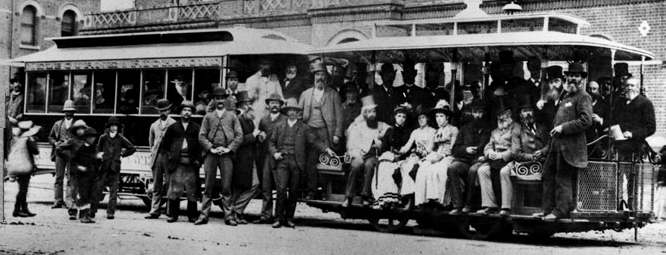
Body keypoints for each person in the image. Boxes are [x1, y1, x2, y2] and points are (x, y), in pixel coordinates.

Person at [536, 62, 593, 221]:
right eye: (570, 76)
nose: (573, 79)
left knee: (562, 178)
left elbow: (586, 121)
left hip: (571, 146)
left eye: (577, 76)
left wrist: (563, 127)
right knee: (548, 174)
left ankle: (560, 211)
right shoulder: (566, 96)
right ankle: (547, 210)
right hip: (557, 144)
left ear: (581, 79)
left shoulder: (583, 97)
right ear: (566, 77)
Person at [269, 98, 336, 228]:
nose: (292, 113)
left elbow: (315, 142)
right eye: (290, 110)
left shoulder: (304, 128)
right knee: (281, 190)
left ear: (298, 113)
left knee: (294, 191)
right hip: (282, 161)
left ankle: (289, 218)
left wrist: (327, 149)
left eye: (295, 110)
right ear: (287, 112)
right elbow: (271, 143)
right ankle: (277, 218)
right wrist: (275, 153)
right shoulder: (279, 126)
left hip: (296, 163)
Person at [497, 95, 549, 216]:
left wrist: (542, 152)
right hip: (523, 163)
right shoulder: (517, 130)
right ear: (520, 114)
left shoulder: (542, 127)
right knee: (504, 171)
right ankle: (506, 207)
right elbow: (515, 153)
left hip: (542, 161)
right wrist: (531, 157)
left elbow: (549, 143)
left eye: (530, 110)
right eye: (524, 111)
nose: (528, 114)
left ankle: (545, 208)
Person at [298, 63, 344, 200]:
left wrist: (337, 134)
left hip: (326, 132)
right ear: (314, 77)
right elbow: (299, 115)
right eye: (318, 75)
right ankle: (312, 192)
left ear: (326, 78)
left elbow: (340, 117)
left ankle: (325, 192)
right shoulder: (306, 94)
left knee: (326, 161)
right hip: (309, 132)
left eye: (323, 75)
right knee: (310, 163)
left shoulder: (333, 95)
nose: (320, 78)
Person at [196, 94, 243, 225]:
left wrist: (229, 149)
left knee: (226, 187)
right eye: (217, 98)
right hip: (211, 154)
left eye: (223, 98)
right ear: (214, 100)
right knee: (208, 186)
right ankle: (204, 215)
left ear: (226, 100)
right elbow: (201, 136)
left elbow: (239, 136)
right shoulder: (208, 116)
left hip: (227, 155)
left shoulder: (232, 116)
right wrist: (211, 148)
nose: (220, 101)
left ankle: (228, 216)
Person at [610, 77, 655, 210]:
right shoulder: (620, 102)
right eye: (627, 85)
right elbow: (613, 119)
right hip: (619, 146)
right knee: (616, 177)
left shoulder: (645, 103)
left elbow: (651, 127)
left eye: (632, 85)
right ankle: (617, 207)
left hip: (635, 147)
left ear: (637, 87)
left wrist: (633, 134)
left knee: (632, 179)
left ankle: (632, 208)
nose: (629, 88)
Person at [343, 96, 390, 207]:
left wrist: (381, 139)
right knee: (356, 166)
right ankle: (348, 197)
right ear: (365, 114)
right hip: (359, 154)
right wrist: (356, 155)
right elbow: (351, 145)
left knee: (369, 166)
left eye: (374, 111)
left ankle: (365, 196)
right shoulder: (358, 127)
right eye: (369, 112)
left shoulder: (380, 125)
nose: (372, 114)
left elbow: (390, 130)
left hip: (373, 155)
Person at [160, 101, 202, 223]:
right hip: (176, 163)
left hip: (191, 163)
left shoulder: (196, 128)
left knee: (192, 190)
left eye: (189, 110)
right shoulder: (173, 128)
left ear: (191, 113)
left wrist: (199, 160)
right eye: (184, 110)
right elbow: (165, 146)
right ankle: (173, 215)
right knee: (175, 190)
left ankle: (192, 215)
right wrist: (169, 159)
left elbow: (201, 146)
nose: (186, 112)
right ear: (180, 112)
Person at [447, 99, 491, 215]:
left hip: (480, 161)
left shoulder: (489, 129)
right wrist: (466, 149)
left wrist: (484, 155)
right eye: (475, 112)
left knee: (473, 170)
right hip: (465, 160)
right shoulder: (465, 128)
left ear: (484, 112)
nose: (478, 115)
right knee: (453, 168)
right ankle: (457, 205)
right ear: (471, 112)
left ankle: (469, 204)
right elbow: (455, 149)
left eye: (480, 112)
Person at [476, 99, 519, 215]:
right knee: (482, 170)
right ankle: (490, 205)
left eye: (503, 114)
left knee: (504, 172)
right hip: (495, 159)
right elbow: (488, 146)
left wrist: (501, 155)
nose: (501, 117)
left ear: (509, 113)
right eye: (499, 115)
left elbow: (516, 149)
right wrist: (489, 153)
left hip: (512, 159)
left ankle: (506, 206)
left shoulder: (517, 128)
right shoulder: (495, 131)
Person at [414, 101, 459, 207]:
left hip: (448, 156)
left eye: (441, 116)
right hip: (437, 154)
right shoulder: (437, 131)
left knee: (437, 170)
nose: (438, 119)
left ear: (447, 117)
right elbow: (430, 148)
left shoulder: (453, 129)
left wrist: (441, 156)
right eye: (437, 116)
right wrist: (422, 152)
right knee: (423, 167)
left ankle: (439, 199)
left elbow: (453, 148)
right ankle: (425, 200)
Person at [91, 116, 136, 219]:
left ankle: (110, 212)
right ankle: (93, 210)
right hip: (104, 166)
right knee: (98, 189)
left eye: (116, 125)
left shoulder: (121, 138)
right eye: (112, 125)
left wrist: (122, 154)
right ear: (109, 127)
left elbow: (132, 148)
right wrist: (100, 156)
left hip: (115, 167)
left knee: (113, 191)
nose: (114, 127)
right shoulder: (103, 138)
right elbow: (98, 150)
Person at [371, 104, 415, 205]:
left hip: (403, 158)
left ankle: (397, 198)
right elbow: (384, 148)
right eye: (399, 116)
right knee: (384, 168)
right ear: (395, 117)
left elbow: (410, 147)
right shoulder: (390, 131)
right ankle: (385, 198)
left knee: (399, 170)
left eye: (404, 117)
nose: (401, 119)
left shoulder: (409, 132)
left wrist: (400, 155)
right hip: (390, 157)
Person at [228, 91, 261, 225]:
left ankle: (236, 211)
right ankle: (235, 212)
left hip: (249, 158)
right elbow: (238, 140)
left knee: (247, 185)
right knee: (246, 185)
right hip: (240, 158)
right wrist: (254, 135)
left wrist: (258, 137)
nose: (250, 106)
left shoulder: (248, 119)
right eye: (247, 103)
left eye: (249, 103)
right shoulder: (238, 119)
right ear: (241, 105)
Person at [57, 126, 102, 223]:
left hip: (90, 175)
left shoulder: (94, 148)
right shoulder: (79, 147)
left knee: (89, 194)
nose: (93, 139)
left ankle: (85, 214)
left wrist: (97, 162)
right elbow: (73, 160)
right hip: (81, 175)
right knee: (81, 194)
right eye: (90, 137)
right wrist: (78, 166)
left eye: (94, 137)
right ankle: (80, 214)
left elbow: (95, 161)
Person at [254, 93, 287, 224]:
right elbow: (260, 138)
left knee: (281, 188)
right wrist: (260, 138)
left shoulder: (285, 119)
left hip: (280, 157)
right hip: (267, 157)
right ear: (268, 105)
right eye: (272, 103)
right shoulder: (264, 120)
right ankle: (266, 215)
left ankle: (280, 216)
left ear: (280, 105)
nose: (274, 105)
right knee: (266, 187)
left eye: (277, 103)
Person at [145, 99, 177, 219]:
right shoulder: (154, 125)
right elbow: (151, 142)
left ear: (169, 110)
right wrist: (154, 153)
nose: (162, 113)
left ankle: (170, 211)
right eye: (160, 111)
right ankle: (155, 210)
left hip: (168, 156)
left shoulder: (174, 124)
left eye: (165, 110)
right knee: (156, 185)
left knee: (170, 184)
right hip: (157, 156)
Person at [398, 107, 437, 198]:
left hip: (427, 157)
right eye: (419, 118)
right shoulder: (415, 132)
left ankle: (412, 197)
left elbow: (429, 149)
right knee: (403, 166)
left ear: (428, 118)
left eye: (423, 117)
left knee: (411, 167)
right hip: (416, 156)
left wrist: (417, 151)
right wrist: (399, 151)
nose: (421, 120)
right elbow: (407, 146)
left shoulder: (433, 131)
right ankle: (409, 195)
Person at [48, 100, 78, 209]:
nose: (69, 114)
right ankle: (58, 200)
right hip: (60, 154)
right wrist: (55, 143)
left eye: (71, 112)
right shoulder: (57, 124)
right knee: (59, 177)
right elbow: (50, 137)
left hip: (72, 154)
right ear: (64, 112)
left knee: (71, 178)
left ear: (73, 112)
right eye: (67, 111)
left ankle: (69, 200)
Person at [8, 121, 41, 217]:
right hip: (25, 166)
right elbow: (35, 151)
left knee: (22, 188)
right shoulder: (29, 139)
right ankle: (17, 209)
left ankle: (23, 208)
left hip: (16, 165)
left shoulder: (17, 139)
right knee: (23, 189)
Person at [246, 58, 284, 127]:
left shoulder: (275, 80)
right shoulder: (251, 80)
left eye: (268, 64)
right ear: (259, 65)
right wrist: (254, 94)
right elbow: (247, 100)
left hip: (272, 114)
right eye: (264, 64)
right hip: (256, 115)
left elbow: (281, 97)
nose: (266, 66)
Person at [536, 66, 565, 130]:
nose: (553, 84)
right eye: (551, 82)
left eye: (556, 81)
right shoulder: (547, 100)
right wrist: (539, 109)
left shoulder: (568, 98)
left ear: (562, 82)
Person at [586, 81, 609, 158]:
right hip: (584, 140)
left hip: (598, 140)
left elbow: (610, 122)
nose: (591, 91)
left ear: (598, 91)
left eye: (594, 89)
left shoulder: (604, 105)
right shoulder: (581, 103)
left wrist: (600, 120)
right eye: (589, 89)